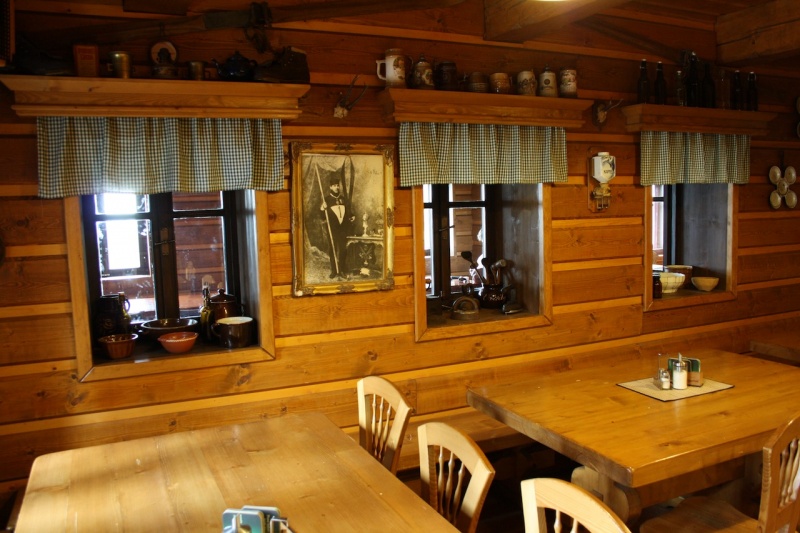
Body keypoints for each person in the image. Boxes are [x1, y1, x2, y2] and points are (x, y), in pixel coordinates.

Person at [320, 175, 355, 279]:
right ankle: (334, 271)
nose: (337, 187)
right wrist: (322, 209)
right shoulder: (326, 200)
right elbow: (323, 217)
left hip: (342, 229)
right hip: (332, 229)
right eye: (334, 186)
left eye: (337, 185)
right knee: (333, 250)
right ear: (330, 187)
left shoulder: (343, 199)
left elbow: (348, 212)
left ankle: (342, 270)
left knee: (343, 249)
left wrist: (352, 216)